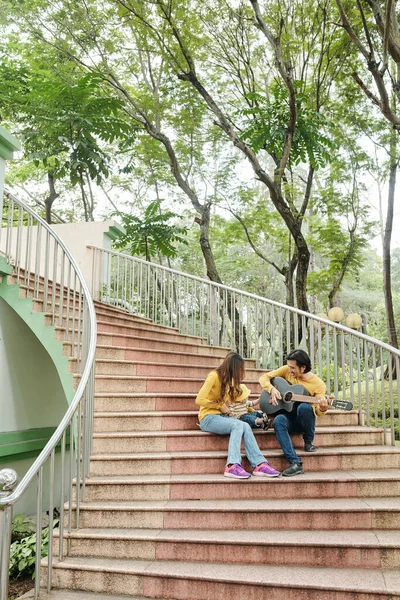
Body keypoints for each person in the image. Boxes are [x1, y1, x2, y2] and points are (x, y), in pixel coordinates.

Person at [196, 351, 280, 479]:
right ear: (233, 368)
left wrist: (257, 407)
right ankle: (232, 465)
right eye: (240, 370)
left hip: (222, 418)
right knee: (237, 426)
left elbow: (242, 403)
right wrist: (219, 406)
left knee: (245, 425)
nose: (242, 373)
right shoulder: (213, 376)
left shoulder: (230, 383)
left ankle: (259, 464)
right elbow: (199, 400)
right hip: (208, 418)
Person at [259, 349, 329, 477]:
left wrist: (323, 408)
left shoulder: (318, 384)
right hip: (288, 417)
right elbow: (264, 378)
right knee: (279, 419)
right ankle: (295, 463)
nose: (289, 370)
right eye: (289, 367)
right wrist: (273, 389)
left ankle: (308, 441)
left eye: (293, 368)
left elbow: (317, 412)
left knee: (304, 407)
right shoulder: (287, 370)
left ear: (303, 367)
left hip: (303, 420)